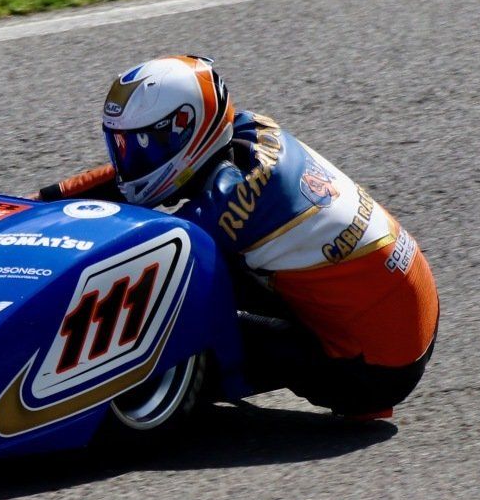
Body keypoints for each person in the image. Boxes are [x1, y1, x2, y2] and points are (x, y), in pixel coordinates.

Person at [38, 55, 438, 419]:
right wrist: (39, 201)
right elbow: (121, 183)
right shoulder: (246, 130)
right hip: (406, 305)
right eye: (122, 145)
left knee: (163, 297)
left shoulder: (233, 199)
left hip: (376, 367)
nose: (129, 161)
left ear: (184, 129)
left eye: (142, 145)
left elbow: (131, 243)